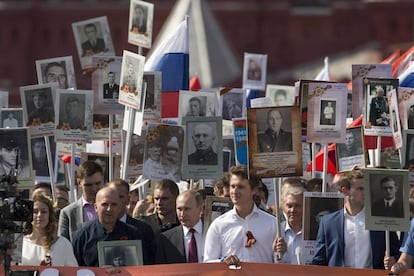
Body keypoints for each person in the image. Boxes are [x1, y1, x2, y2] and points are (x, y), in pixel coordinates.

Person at [312, 168, 401, 269]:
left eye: (367, 188)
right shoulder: (328, 223)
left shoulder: (381, 219)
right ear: (345, 191)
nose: (365, 192)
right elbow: (319, 261)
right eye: (360, 189)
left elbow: (397, 252)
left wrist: (393, 261)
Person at [204, 166, 278, 264]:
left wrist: (279, 255)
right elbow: (208, 262)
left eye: (240, 187)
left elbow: (281, 263)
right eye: (233, 186)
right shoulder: (218, 225)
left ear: (254, 190)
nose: (235, 191)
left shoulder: (272, 223)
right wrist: (223, 262)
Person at [72, 187, 153, 266]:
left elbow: (145, 268)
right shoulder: (82, 236)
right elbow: (74, 270)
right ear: (96, 207)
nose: (109, 209)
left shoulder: (134, 234)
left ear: (119, 207)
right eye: (105, 204)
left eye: (114, 204)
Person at [22, 193, 78, 266]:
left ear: (49, 215)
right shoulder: (22, 244)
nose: (39, 215)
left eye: (44, 212)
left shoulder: (63, 244)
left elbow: (72, 272)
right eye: (35, 212)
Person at [108, 179, 155, 264]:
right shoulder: (92, 231)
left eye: (120, 197)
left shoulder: (143, 230)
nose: (116, 201)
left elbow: (149, 262)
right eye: (112, 196)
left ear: (128, 199)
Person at [58, 160, 104, 241]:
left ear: (103, 179)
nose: (94, 189)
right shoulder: (68, 213)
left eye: (98, 183)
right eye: (88, 185)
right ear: (79, 182)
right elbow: (63, 245)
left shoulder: (114, 208)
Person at [155, 190, 204, 264]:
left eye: (187, 209)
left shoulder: (214, 233)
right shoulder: (166, 239)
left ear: (200, 209)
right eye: (179, 209)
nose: (182, 214)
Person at [274, 180, 306, 264]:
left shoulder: (314, 233)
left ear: (305, 205)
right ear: (283, 206)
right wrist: (278, 256)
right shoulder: (276, 231)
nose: (292, 210)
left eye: (297, 206)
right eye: (289, 206)